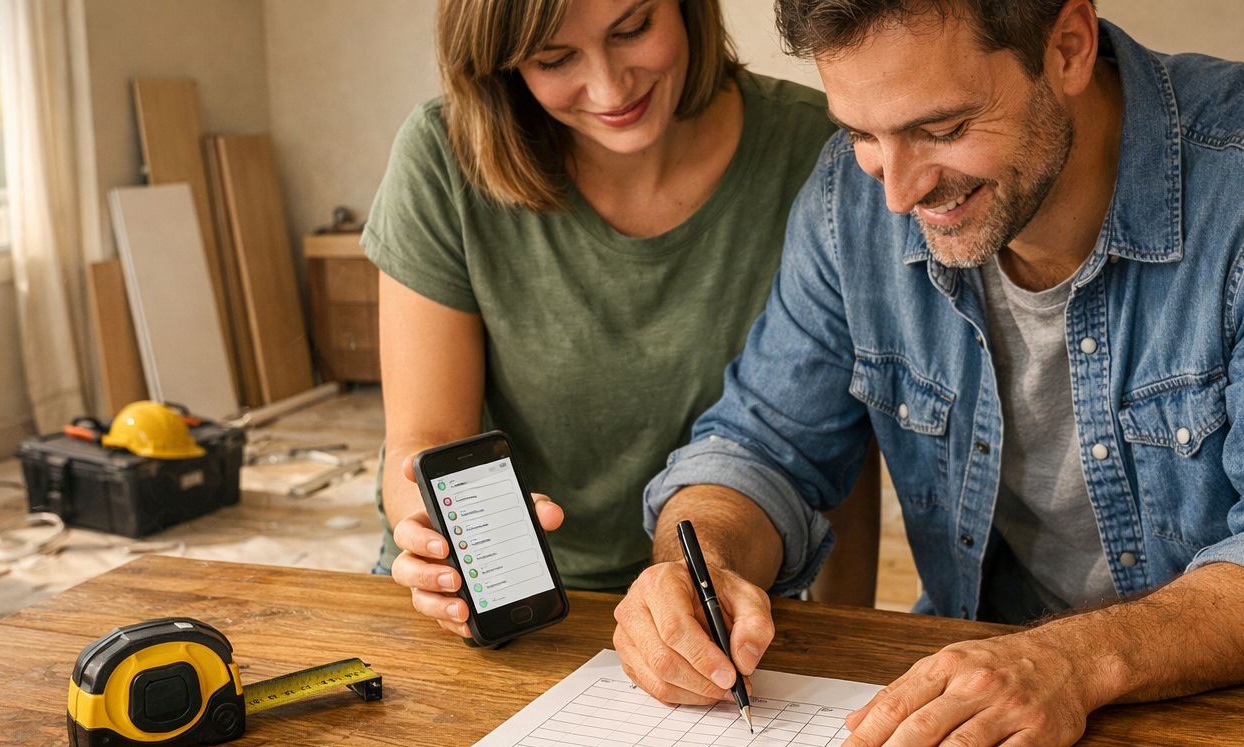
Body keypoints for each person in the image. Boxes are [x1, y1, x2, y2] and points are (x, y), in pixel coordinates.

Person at [613, 0, 1244, 747]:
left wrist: (1069, 663)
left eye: (942, 130)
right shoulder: (848, 198)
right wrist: (700, 560)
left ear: (1069, 47)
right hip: (996, 707)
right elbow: (761, 448)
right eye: (864, 134)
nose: (898, 194)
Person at [365, 0, 879, 637]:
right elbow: (424, 443)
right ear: (501, 65)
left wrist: (857, 636)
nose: (610, 89)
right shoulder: (442, 157)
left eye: (633, 29)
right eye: (554, 59)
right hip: (504, 608)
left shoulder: (825, 155)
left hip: (726, 601)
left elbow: (839, 445)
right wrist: (442, 543)